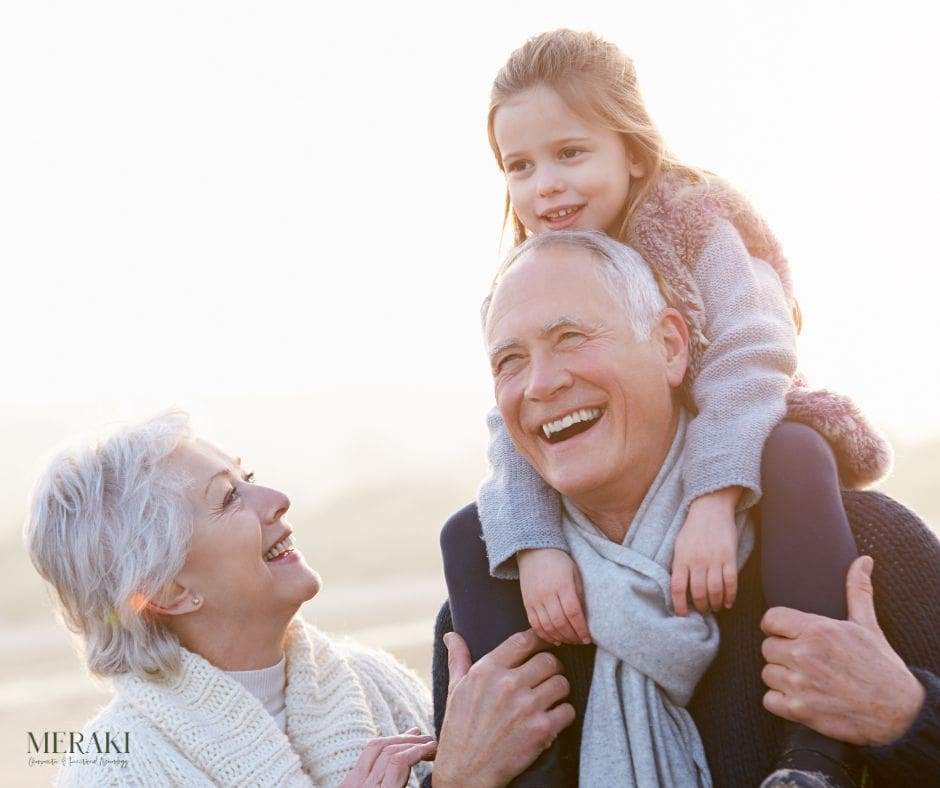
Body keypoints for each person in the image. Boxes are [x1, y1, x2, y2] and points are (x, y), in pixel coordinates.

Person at [442, 28, 891, 787]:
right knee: (470, 532)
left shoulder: (695, 221)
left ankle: (817, 754)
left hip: (743, 427)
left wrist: (715, 500)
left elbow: (752, 356)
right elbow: (512, 427)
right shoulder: (528, 275)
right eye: (519, 166)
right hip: (620, 485)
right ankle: (534, 768)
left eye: (569, 154)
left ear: (635, 153)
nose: (543, 185)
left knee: (794, 453)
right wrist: (536, 545)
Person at [434, 231, 940, 786]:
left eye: (571, 337)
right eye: (510, 360)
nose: (542, 383)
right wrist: (457, 781)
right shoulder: (485, 620)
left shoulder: (867, 544)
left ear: (672, 346)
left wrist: (907, 716)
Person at [25, 411, 574, 787]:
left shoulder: (373, 682)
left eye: (251, 477)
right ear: (167, 590)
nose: (277, 500)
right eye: (227, 498)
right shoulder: (113, 770)